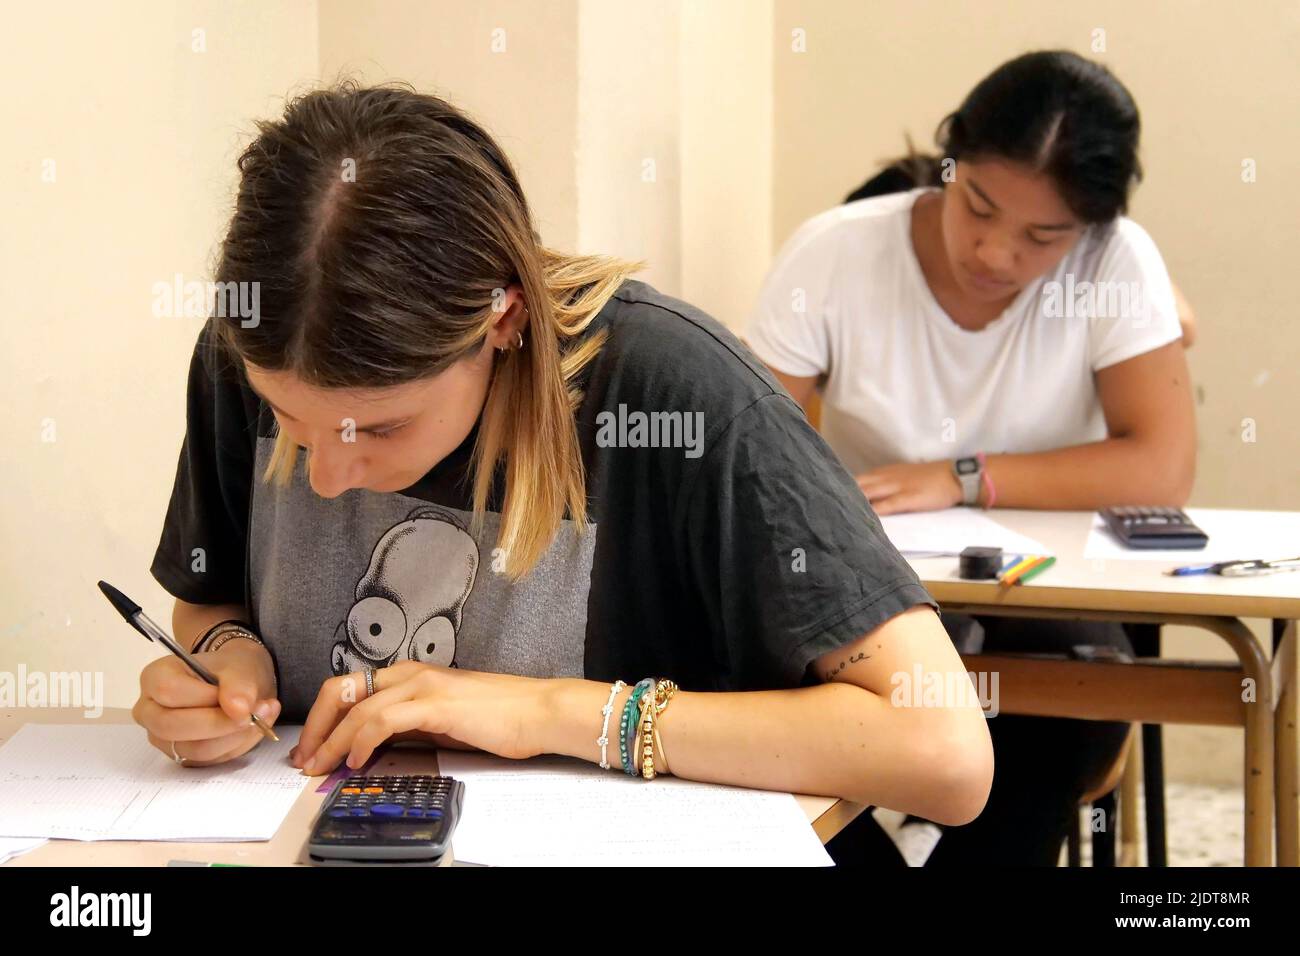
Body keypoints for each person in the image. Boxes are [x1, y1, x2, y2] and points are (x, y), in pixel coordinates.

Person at [134, 81, 992, 834]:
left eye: (382, 428)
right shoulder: (256, 345)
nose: (322, 475)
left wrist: (550, 711)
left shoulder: (677, 394)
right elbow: (207, 602)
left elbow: (946, 753)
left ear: (501, 320)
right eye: (288, 418)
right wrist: (226, 657)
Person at [747, 51, 1195, 865]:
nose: (994, 253)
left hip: (1046, 606)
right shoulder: (837, 254)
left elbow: (1160, 465)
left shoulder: (1118, 263)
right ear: (950, 160)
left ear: (1089, 229)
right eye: (978, 206)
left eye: (1041, 235)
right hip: (869, 588)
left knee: (1056, 721)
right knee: (759, 702)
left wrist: (963, 476)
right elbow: (743, 452)